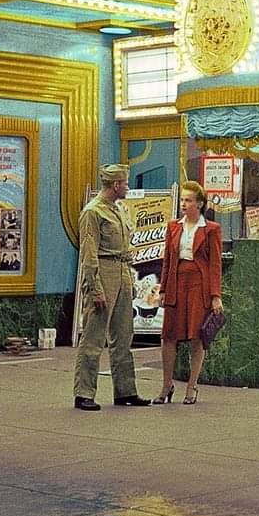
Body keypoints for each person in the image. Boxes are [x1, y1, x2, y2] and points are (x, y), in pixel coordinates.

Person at [72, 163, 150, 411]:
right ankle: (84, 392)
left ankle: (125, 391)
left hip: (123, 270)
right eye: (125, 183)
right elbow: (89, 254)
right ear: (116, 185)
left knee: (123, 337)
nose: (127, 187)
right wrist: (94, 288)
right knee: (94, 337)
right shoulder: (92, 212)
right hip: (103, 272)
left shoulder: (118, 210)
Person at [155, 180, 224, 405]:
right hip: (176, 282)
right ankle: (167, 385)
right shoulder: (173, 226)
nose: (184, 204)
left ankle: (192, 386)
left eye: (188, 200)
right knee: (169, 336)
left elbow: (215, 264)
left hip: (199, 285)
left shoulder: (211, 229)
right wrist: (163, 289)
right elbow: (167, 260)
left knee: (197, 337)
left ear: (200, 204)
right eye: (182, 200)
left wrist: (215, 296)